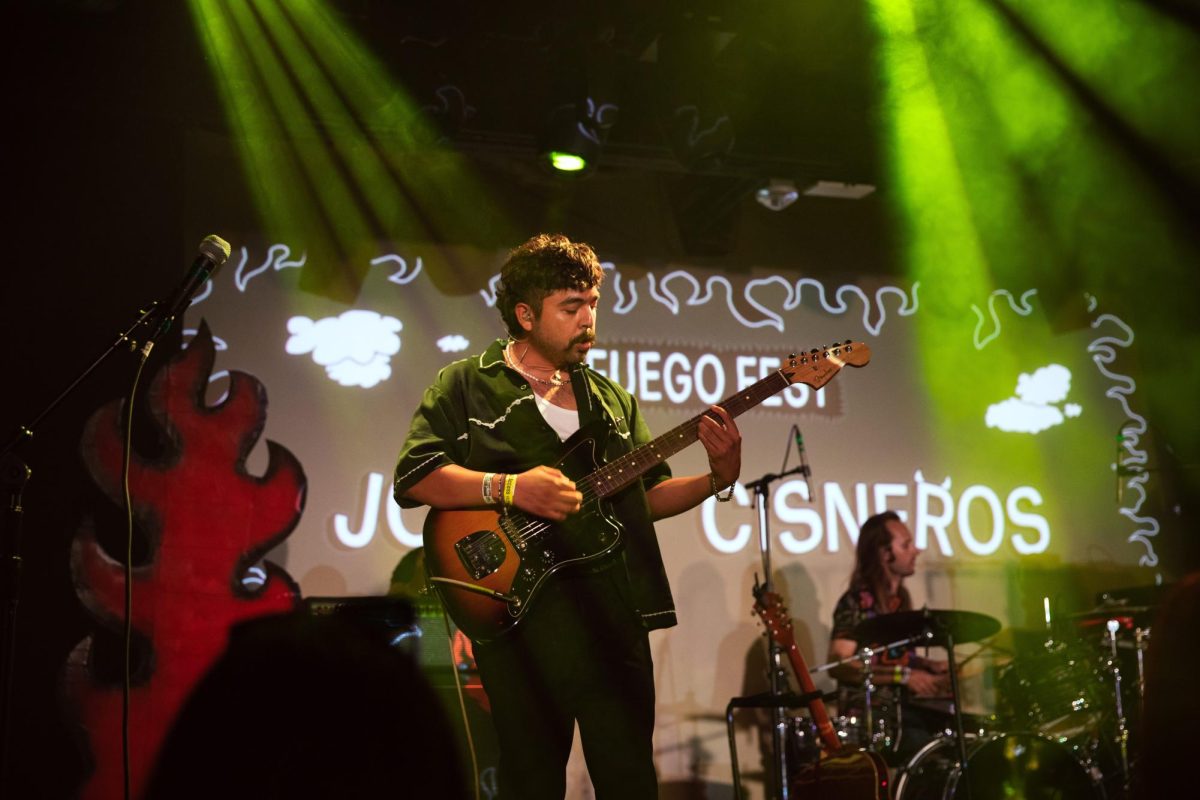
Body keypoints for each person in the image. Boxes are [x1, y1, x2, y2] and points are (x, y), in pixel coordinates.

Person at [392, 233, 741, 799]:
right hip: (520, 620)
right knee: (531, 782)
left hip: (612, 615)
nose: (588, 319)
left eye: (593, 304)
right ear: (526, 315)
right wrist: (510, 489)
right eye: (571, 307)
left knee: (629, 781)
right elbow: (415, 476)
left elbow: (643, 498)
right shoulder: (465, 383)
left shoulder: (612, 399)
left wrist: (717, 478)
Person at [826, 510, 949, 765]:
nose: (916, 550)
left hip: (909, 715)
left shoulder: (901, 601)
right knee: (932, 756)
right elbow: (840, 664)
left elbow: (894, 656)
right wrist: (904, 676)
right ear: (884, 554)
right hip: (877, 724)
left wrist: (928, 667)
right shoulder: (856, 602)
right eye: (906, 544)